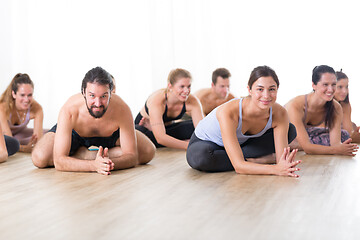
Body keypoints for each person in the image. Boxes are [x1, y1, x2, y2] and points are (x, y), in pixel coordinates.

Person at [31, 67, 156, 175]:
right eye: (92, 96)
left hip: (110, 135)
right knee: (39, 157)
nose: (98, 103)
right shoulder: (69, 109)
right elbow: (59, 161)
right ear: (83, 92)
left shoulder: (122, 109)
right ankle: (85, 155)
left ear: (111, 94)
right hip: (75, 134)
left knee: (148, 151)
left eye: (103, 96)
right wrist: (94, 165)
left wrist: (105, 164)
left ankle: (88, 156)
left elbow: (132, 157)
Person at [186, 66, 301, 177]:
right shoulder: (229, 112)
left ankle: (245, 160)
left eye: (272, 89)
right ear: (249, 90)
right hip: (207, 143)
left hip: (241, 145)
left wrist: (281, 164)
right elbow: (239, 167)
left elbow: (282, 161)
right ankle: (255, 161)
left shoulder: (280, 113)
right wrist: (273, 168)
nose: (266, 96)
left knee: (290, 130)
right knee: (203, 157)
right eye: (260, 89)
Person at [285, 65, 358, 156]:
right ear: (313, 85)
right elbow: (307, 148)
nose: (330, 89)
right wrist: (336, 150)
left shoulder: (336, 107)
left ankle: (298, 145)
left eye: (333, 84)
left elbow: (335, 143)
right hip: (282, 136)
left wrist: (341, 148)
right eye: (325, 84)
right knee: (303, 142)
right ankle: (296, 145)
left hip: (306, 135)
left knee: (344, 135)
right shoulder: (295, 105)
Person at [135, 68, 204, 150]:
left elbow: (202, 131)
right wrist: (189, 145)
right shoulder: (157, 100)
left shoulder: (192, 101)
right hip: (143, 126)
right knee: (141, 133)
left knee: (195, 127)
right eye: (182, 87)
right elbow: (160, 138)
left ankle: (157, 134)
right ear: (170, 86)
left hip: (166, 128)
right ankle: (154, 132)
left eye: (188, 86)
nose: (186, 91)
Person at [0, 73, 45, 153]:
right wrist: (24, 149)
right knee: (13, 143)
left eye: (29, 95)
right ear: (14, 94)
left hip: (18, 135)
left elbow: (38, 139)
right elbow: (9, 141)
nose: (26, 99)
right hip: (5, 138)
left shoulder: (37, 108)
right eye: (22, 95)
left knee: (49, 134)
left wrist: (35, 144)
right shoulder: (3, 108)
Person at [334, 70, 360, 142]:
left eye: (346, 87)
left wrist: (353, 135)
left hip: (339, 132)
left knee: (353, 127)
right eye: (340, 87)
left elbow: (348, 132)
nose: (344, 91)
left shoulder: (345, 105)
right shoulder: (322, 103)